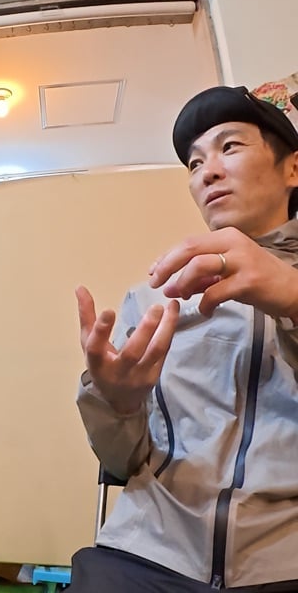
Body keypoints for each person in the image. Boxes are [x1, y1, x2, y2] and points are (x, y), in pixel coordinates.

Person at [71, 85, 298, 592]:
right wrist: (116, 404)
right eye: (194, 164)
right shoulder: (155, 300)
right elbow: (122, 463)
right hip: (147, 551)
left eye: (229, 146)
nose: (207, 173)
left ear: (293, 169)